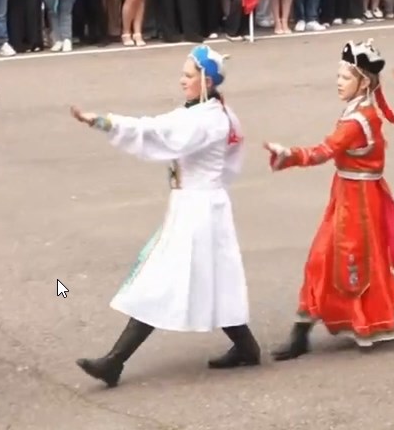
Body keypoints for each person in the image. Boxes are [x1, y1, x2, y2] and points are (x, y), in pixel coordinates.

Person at [68, 45, 261, 386]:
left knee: (161, 280)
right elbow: (164, 128)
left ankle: (115, 360)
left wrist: (103, 122)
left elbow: (157, 132)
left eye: (188, 76)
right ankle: (247, 347)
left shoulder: (206, 121)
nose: (182, 81)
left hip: (198, 209)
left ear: (207, 82)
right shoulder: (211, 113)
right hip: (202, 205)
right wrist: (104, 122)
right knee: (213, 279)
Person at [264, 39, 394, 360]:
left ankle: (303, 332)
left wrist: (289, 155)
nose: (339, 82)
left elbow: (325, 150)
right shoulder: (361, 111)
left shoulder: (357, 120)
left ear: (364, 82)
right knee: (363, 260)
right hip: (353, 194)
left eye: (345, 77)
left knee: (331, 259)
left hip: (357, 201)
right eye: (339, 76)